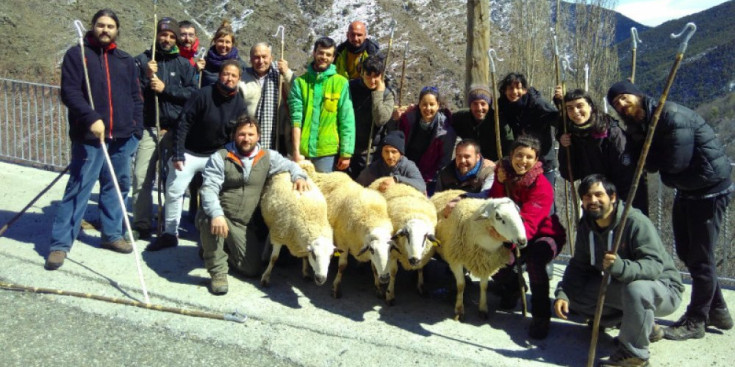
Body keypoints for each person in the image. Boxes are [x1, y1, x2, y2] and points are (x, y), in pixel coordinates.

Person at [607, 80, 734, 340]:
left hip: (709, 189)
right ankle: (718, 309)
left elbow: (675, 164)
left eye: (624, 97)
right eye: (616, 102)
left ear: (637, 94)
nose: (621, 103)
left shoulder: (671, 117)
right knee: (689, 254)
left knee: (700, 258)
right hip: (689, 189)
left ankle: (696, 321)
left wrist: (649, 154)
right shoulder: (641, 123)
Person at [45, 9, 143, 270]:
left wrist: (137, 129)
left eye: (110, 26)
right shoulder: (77, 55)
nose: (105, 29)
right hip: (89, 137)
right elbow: (69, 93)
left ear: (117, 30)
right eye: (101, 25)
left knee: (117, 187)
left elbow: (136, 96)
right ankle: (60, 244)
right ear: (93, 26)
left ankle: (111, 235)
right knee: (79, 188)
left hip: (122, 137)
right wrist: (91, 118)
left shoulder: (124, 60)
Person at [555, 174, 683, 367]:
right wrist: (564, 293)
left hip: (662, 289)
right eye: (587, 196)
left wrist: (621, 266)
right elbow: (579, 265)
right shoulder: (587, 226)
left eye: (599, 195)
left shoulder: (634, 222)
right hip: (621, 285)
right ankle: (642, 326)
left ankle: (634, 354)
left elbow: (655, 265)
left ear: (612, 197)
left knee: (636, 290)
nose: (593, 200)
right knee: (573, 295)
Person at [198, 115, 310, 294]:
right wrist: (216, 214)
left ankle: (216, 247)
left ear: (258, 136)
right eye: (242, 134)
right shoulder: (221, 157)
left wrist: (299, 176)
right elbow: (209, 189)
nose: (246, 138)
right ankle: (217, 272)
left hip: (242, 223)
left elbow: (291, 165)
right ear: (235, 135)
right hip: (220, 214)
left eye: (251, 134)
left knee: (252, 270)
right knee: (208, 218)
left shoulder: (267, 157)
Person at [148, 60, 246, 251]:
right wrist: (178, 153)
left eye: (234, 75)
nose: (229, 78)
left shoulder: (239, 104)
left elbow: (237, 134)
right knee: (175, 190)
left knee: (215, 194)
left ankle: (209, 236)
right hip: (190, 152)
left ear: (239, 79)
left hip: (215, 155)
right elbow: (184, 123)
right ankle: (170, 232)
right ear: (220, 75)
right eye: (226, 74)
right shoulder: (203, 94)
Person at [487, 135, 565, 339]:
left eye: (529, 157)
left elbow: (530, 222)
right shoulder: (503, 173)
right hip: (511, 232)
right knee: (491, 258)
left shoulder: (541, 185)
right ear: (511, 155)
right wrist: (499, 182)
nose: (523, 161)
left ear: (536, 159)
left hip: (542, 233)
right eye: (519, 155)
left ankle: (541, 315)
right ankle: (513, 287)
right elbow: (496, 204)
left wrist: (506, 238)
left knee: (535, 261)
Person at [131, 17, 197, 240]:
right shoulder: (142, 61)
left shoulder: (184, 65)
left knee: (172, 181)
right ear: (156, 35)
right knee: (141, 177)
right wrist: (146, 77)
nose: (167, 39)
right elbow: (132, 91)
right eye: (163, 34)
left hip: (175, 131)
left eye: (171, 36)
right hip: (150, 128)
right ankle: (141, 223)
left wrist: (166, 88)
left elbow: (192, 95)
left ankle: (168, 225)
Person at [555, 88, 647, 214]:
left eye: (580, 106)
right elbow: (569, 174)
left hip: (621, 201)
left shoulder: (610, 132)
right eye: (570, 108)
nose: (575, 112)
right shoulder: (572, 134)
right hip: (594, 200)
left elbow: (626, 174)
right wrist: (566, 148)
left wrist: (618, 206)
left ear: (590, 106)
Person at [288, 36, 355, 173]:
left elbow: (346, 119)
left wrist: (346, 153)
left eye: (328, 54)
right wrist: (296, 151)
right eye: (321, 53)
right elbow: (296, 120)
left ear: (333, 57)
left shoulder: (341, 83)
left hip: (327, 152)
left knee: (324, 192)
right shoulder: (300, 83)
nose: (324, 57)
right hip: (303, 152)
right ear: (314, 53)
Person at [497, 73, 559, 192]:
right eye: (510, 88)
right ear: (504, 90)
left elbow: (558, 120)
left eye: (518, 88)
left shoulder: (537, 104)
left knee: (545, 198)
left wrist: (560, 102)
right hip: (520, 162)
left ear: (525, 89)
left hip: (544, 160)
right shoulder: (502, 107)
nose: (514, 92)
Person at [397, 86, 456, 195]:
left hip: (429, 179)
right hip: (404, 172)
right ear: (419, 105)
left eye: (432, 104)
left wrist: (429, 183)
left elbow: (444, 163)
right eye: (424, 104)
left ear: (438, 105)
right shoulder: (408, 120)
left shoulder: (446, 132)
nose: (428, 108)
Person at [238, 42, 293, 153]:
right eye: (257, 57)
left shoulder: (281, 75)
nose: (261, 61)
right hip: (249, 135)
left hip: (278, 135)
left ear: (271, 58)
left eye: (264, 57)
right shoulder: (242, 78)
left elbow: (297, 89)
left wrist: (287, 72)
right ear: (250, 59)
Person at [347, 55, 395, 179]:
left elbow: (380, 119)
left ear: (382, 75)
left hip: (370, 153)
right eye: (368, 75)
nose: (372, 80)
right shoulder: (350, 88)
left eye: (376, 76)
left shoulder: (387, 94)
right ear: (362, 73)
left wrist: (378, 93)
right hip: (348, 149)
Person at [452, 85, 514, 162]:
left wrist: (497, 163)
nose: (479, 108)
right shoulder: (461, 117)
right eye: (475, 104)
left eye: (483, 104)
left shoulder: (499, 121)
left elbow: (510, 147)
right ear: (470, 105)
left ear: (489, 105)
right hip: (469, 161)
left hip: (493, 164)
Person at [356, 130, 425, 193]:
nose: (390, 156)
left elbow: (422, 186)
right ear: (382, 152)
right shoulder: (375, 167)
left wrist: (396, 179)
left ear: (401, 154)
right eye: (386, 151)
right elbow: (358, 185)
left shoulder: (408, 166)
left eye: (394, 152)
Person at [200, 20, 245, 88]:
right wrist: (196, 70)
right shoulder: (205, 63)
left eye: (227, 42)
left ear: (232, 44)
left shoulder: (240, 65)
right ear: (215, 41)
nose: (224, 45)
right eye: (221, 41)